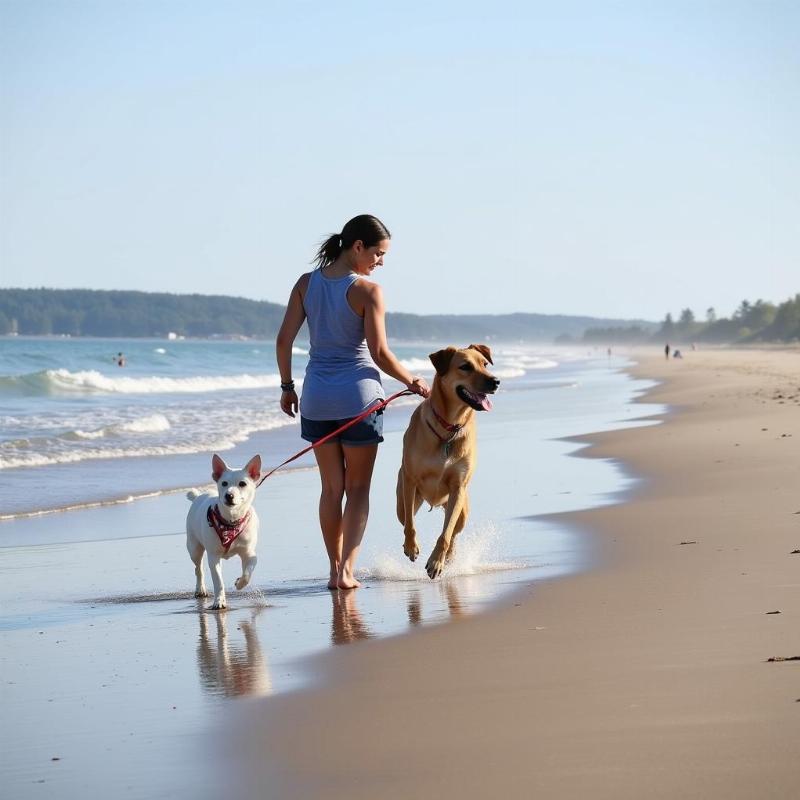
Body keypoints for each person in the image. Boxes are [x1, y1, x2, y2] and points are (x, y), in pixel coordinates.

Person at [276, 214, 430, 590]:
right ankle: (347, 571)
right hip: (358, 400)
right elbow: (379, 353)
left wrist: (286, 387)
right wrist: (414, 381)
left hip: (315, 399)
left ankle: (333, 571)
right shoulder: (368, 291)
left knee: (331, 489)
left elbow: (283, 342)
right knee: (358, 489)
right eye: (378, 254)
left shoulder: (305, 283)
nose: (380, 262)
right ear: (357, 247)